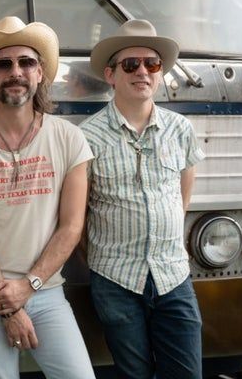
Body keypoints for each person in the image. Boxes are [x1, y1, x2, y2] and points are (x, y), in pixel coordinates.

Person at [0, 16, 94, 378]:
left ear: (39, 73)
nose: (16, 72)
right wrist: (8, 306)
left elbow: (71, 227)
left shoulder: (69, 139)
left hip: (45, 290)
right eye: (4, 64)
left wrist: (28, 287)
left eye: (26, 62)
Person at [79, 19, 204, 379]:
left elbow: (183, 195)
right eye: (131, 64)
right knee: (133, 374)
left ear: (160, 72)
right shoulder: (86, 137)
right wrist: (102, 259)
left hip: (173, 276)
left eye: (152, 63)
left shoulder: (180, 129)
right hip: (115, 281)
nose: (142, 72)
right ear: (110, 74)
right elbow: (77, 216)